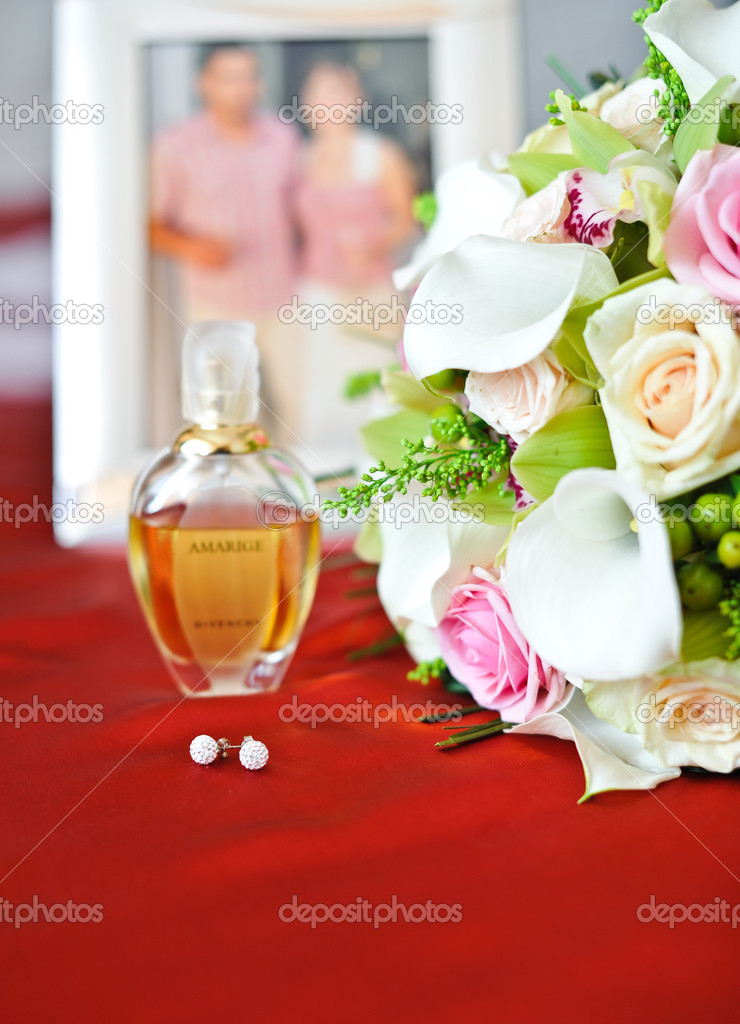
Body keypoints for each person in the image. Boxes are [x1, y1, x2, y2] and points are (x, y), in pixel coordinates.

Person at [149, 45, 302, 446]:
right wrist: (195, 246)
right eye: (229, 78)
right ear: (204, 84)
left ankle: (296, 500)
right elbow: (149, 225)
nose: (242, 89)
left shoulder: (283, 138)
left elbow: (301, 210)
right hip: (215, 306)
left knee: (297, 409)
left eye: (249, 77)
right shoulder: (175, 146)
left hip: (285, 298)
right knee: (224, 419)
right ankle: (233, 502)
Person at [294, 61, 418, 466]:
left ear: (357, 101)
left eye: (339, 93)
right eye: (320, 94)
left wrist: (374, 244)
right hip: (318, 295)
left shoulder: (381, 156)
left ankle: (378, 476)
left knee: (376, 383)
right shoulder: (299, 161)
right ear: (307, 104)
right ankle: (325, 483)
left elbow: (406, 218)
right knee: (321, 389)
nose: (329, 103)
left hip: (372, 293)